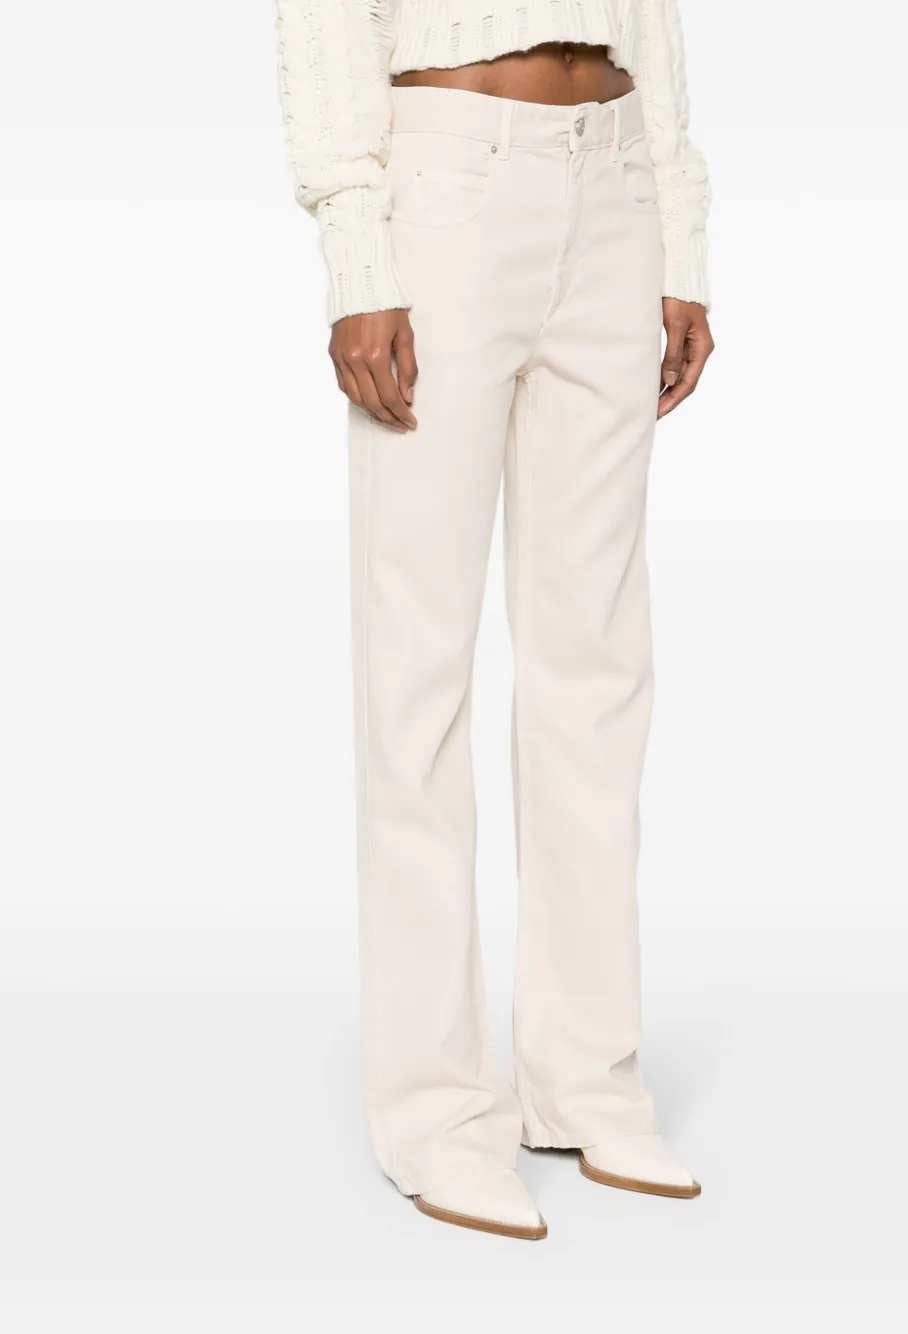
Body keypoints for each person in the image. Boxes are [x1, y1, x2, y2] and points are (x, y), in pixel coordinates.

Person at [275, 1, 714, 1241]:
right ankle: (434, 1109)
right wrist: (360, 263)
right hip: (450, 184)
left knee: (597, 661)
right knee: (419, 665)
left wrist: (679, 238)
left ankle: (586, 1078)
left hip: (614, 177)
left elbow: (652, 18)